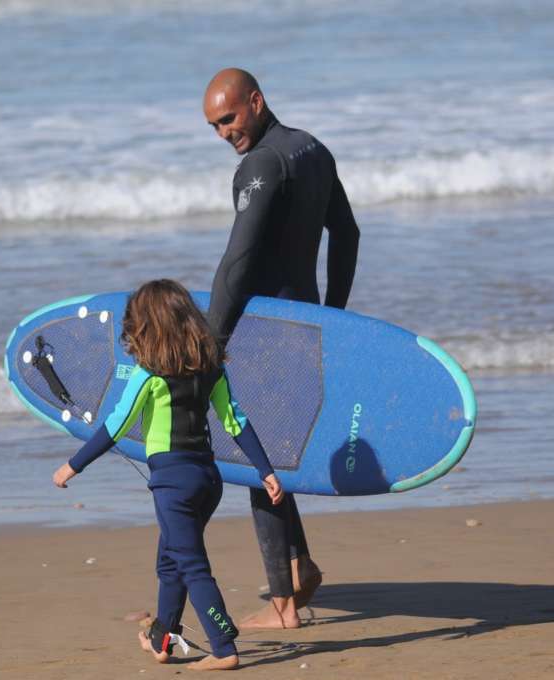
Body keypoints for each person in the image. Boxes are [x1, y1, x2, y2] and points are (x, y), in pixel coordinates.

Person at [52, 279, 284, 671]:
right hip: (207, 480)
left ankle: (224, 647)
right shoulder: (211, 368)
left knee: (191, 565)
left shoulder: (148, 373)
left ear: (146, 326)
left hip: (173, 484)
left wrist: (72, 466)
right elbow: (236, 421)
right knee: (172, 560)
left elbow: (116, 425)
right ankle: (162, 640)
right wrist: (266, 470)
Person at [202, 68, 361, 629]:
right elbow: (348, 233)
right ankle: (298, 568)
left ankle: (284, 607)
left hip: (266, 334)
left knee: (253, 461)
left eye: (229, 118)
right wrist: (332, 317)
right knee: (271, 456)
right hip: (304, 325)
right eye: (214, 126)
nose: (223, 132)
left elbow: (238, 261)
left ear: (256, 101)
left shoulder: (262, 165)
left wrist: (210, 342)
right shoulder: (312, 150)